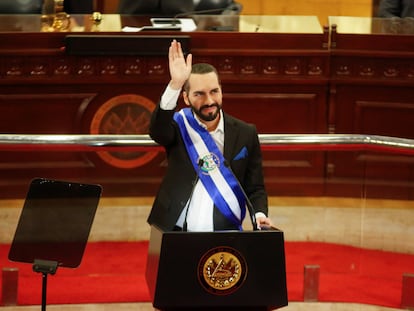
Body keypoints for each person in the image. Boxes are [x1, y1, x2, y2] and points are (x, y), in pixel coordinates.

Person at [148, 40, 272, 232]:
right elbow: (158, 131)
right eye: (199, 94)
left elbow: (255, 187)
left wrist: (260, 215)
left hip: (225, 230)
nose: (209, 101)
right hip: (175, 229)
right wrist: (175, 84)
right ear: (186, 98)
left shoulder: (246, 133)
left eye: (214, 91)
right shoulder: (178, 126)